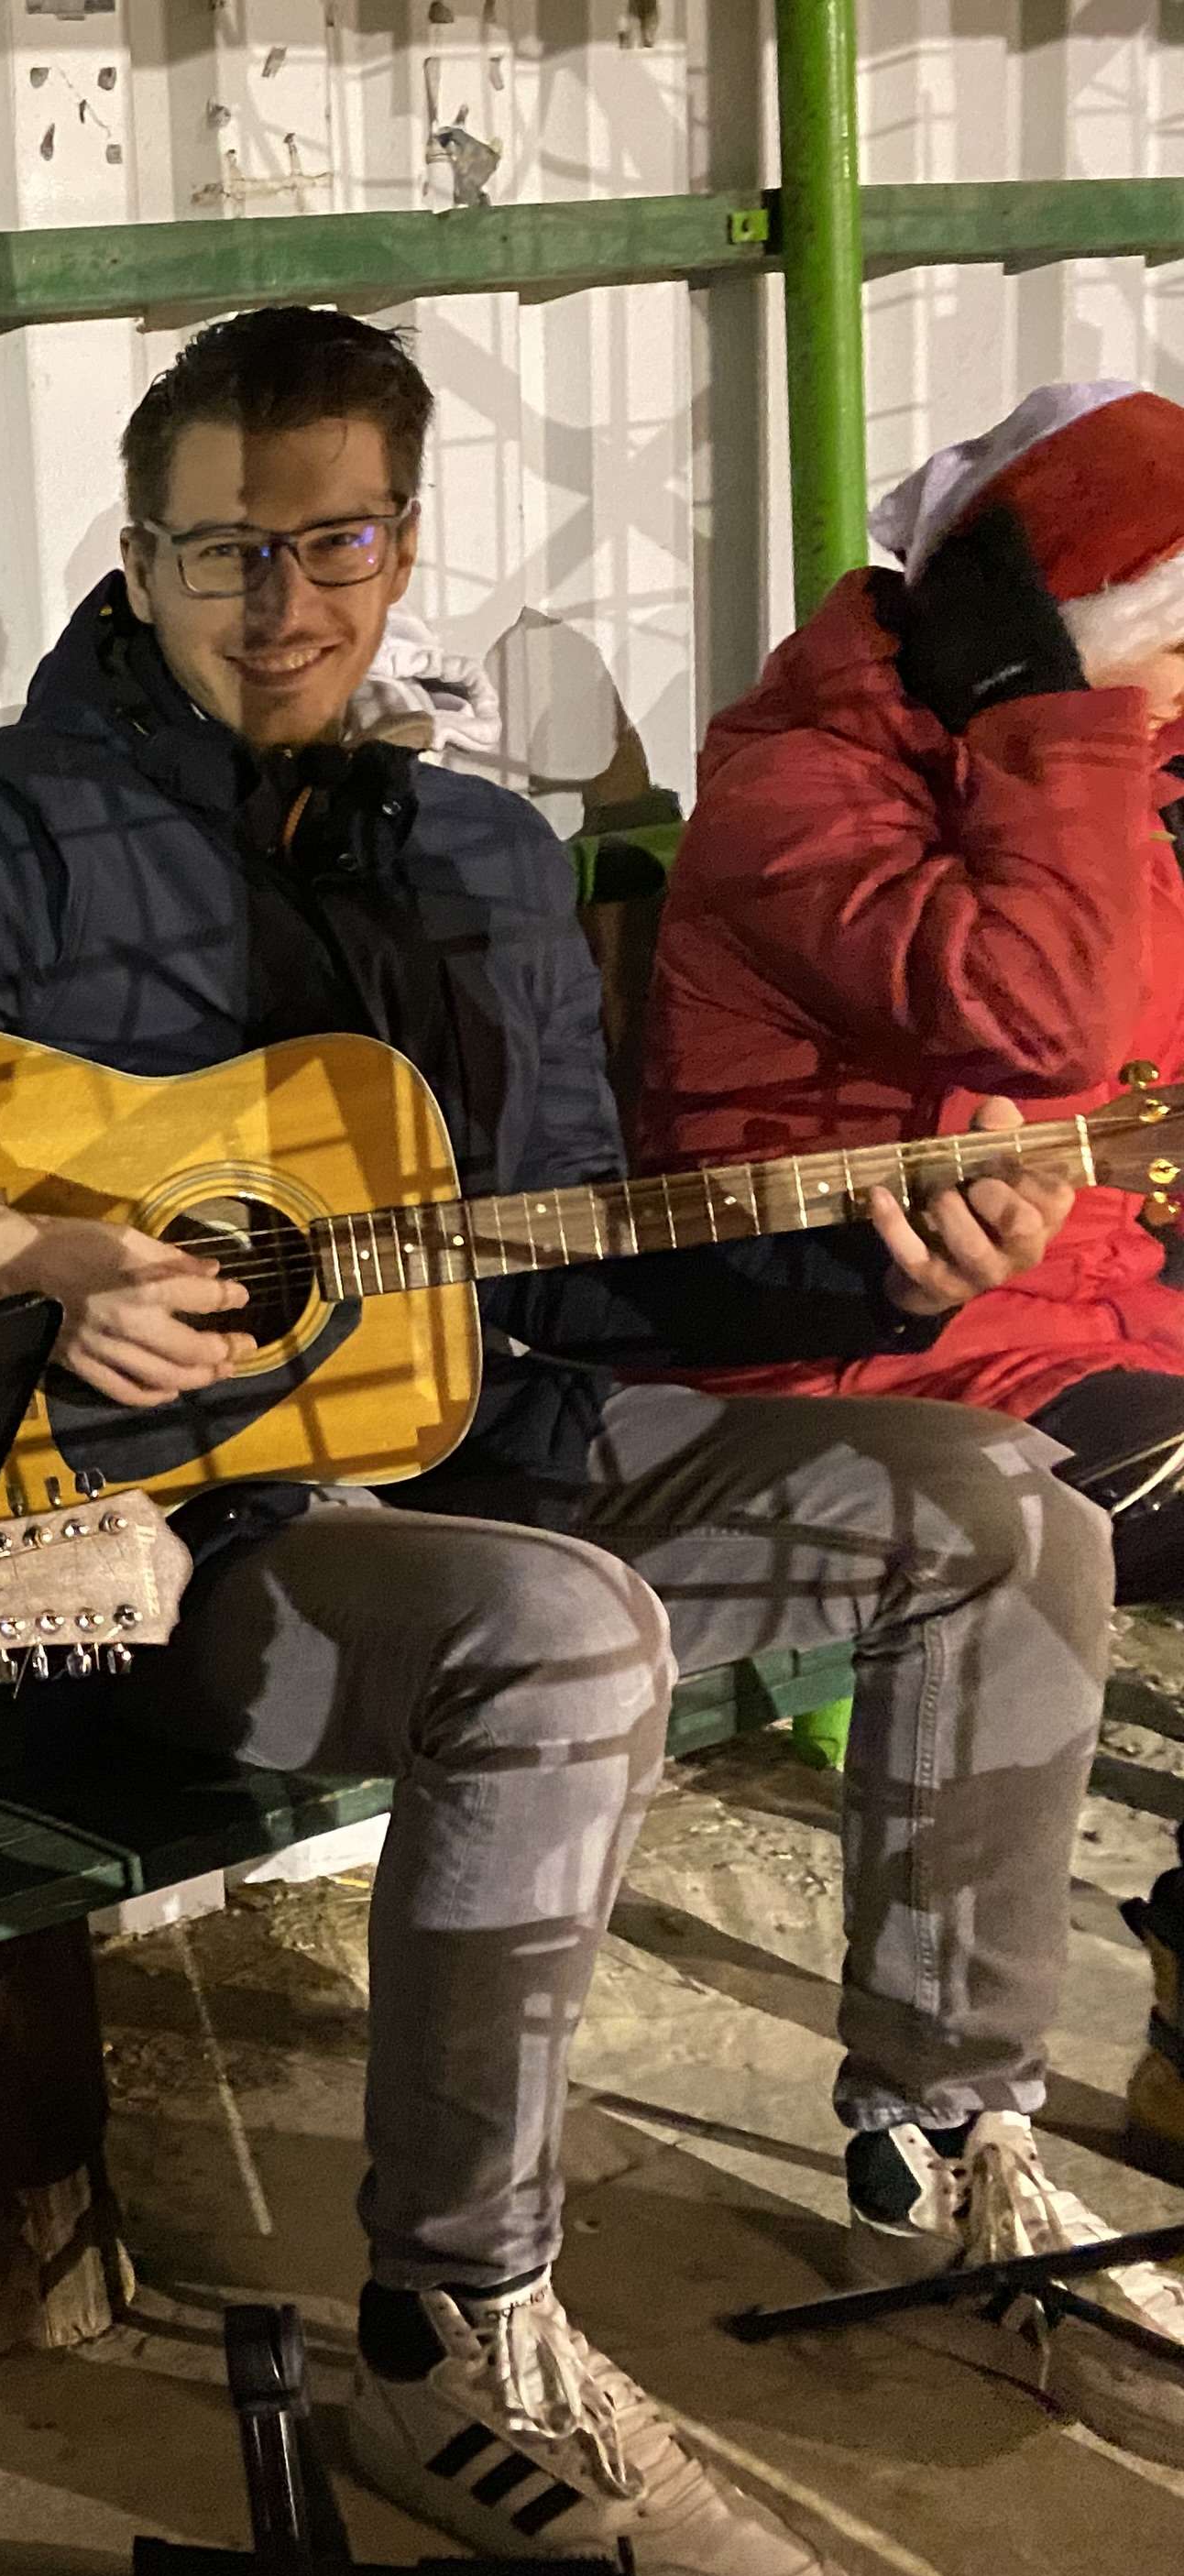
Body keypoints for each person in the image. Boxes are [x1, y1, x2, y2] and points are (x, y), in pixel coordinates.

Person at [0, 305, 1184, 2576]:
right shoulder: (23, 848)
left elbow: (579, 1286)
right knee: (558, 1636)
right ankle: (452, 2336)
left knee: (1002, 1505)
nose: (281, 601)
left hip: (488, 1448)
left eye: (332, 544)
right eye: (222, 549)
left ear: (401, 550)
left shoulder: (485, 859)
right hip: (158, 1549)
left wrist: (871, 1252)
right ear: (140, 560)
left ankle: (951, 2139)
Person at [637, 380, 1184, 2173]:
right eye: (1176, 638)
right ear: (1061, 638)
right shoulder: (806, 788)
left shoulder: (1095, 780)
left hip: (1078, 1313)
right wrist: (1063, 724)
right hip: (850, 1349)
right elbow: (1044, 1019)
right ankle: (969, 2100)